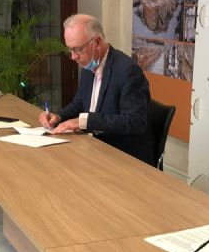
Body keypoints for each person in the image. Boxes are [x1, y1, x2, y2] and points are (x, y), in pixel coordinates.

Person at [39, 14, 154, 165]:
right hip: (92, 149)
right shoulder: (89, 65)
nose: (73, 57)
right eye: (70, 49)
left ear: (97, 42)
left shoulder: (127, 71)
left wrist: (84, 121)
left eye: (77, 49)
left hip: (123, 158)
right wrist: (58, 116)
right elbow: (79, 103)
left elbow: (135, 121)